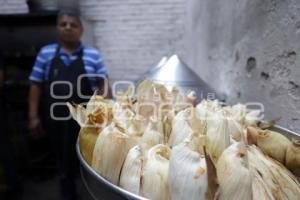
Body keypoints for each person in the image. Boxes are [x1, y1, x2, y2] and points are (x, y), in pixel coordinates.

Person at [28, 10, 110, 200]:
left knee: (87, 156)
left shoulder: (92, 55)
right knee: (61, 157)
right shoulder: (46, 53)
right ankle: (67, 189)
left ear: (81, 31)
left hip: (85, 121)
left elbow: (103, 83)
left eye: (73, 25)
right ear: (57, 28)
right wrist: (33, 116)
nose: (68, 28)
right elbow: (35, 85)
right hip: (55, 118)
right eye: (63, 24)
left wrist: (106, 112)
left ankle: (89, 188)